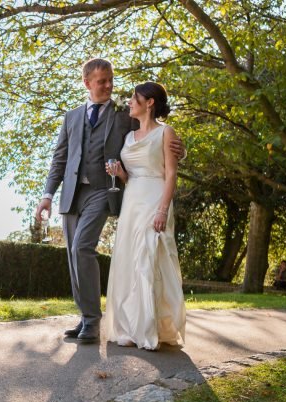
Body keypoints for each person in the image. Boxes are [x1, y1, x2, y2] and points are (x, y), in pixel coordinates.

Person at [35, 59, 184, 343]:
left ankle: (93, 322)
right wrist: (47, 195)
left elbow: (153, 133)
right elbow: (60, 158)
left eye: (110, 80)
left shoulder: (122, 115)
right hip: (72, 194)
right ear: (87, 83)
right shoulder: (72, 117)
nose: (108, 85)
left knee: (82, 247)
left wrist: (181, 149)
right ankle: (85, 316)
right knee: (73, 257)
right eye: (102, 81)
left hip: (105, 191)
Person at [104, 82, 186, 350]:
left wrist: (163, 208)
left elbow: (171, 174)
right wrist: (119, 174)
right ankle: (129, 326)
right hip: (132, 201)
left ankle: (150, 329)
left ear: (149, 102)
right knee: (130, 260)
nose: (129, 101)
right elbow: (131, 177)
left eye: (134, 97)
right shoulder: (129, 138)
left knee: (150, 258)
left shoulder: (166, 133)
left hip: (155, 198)